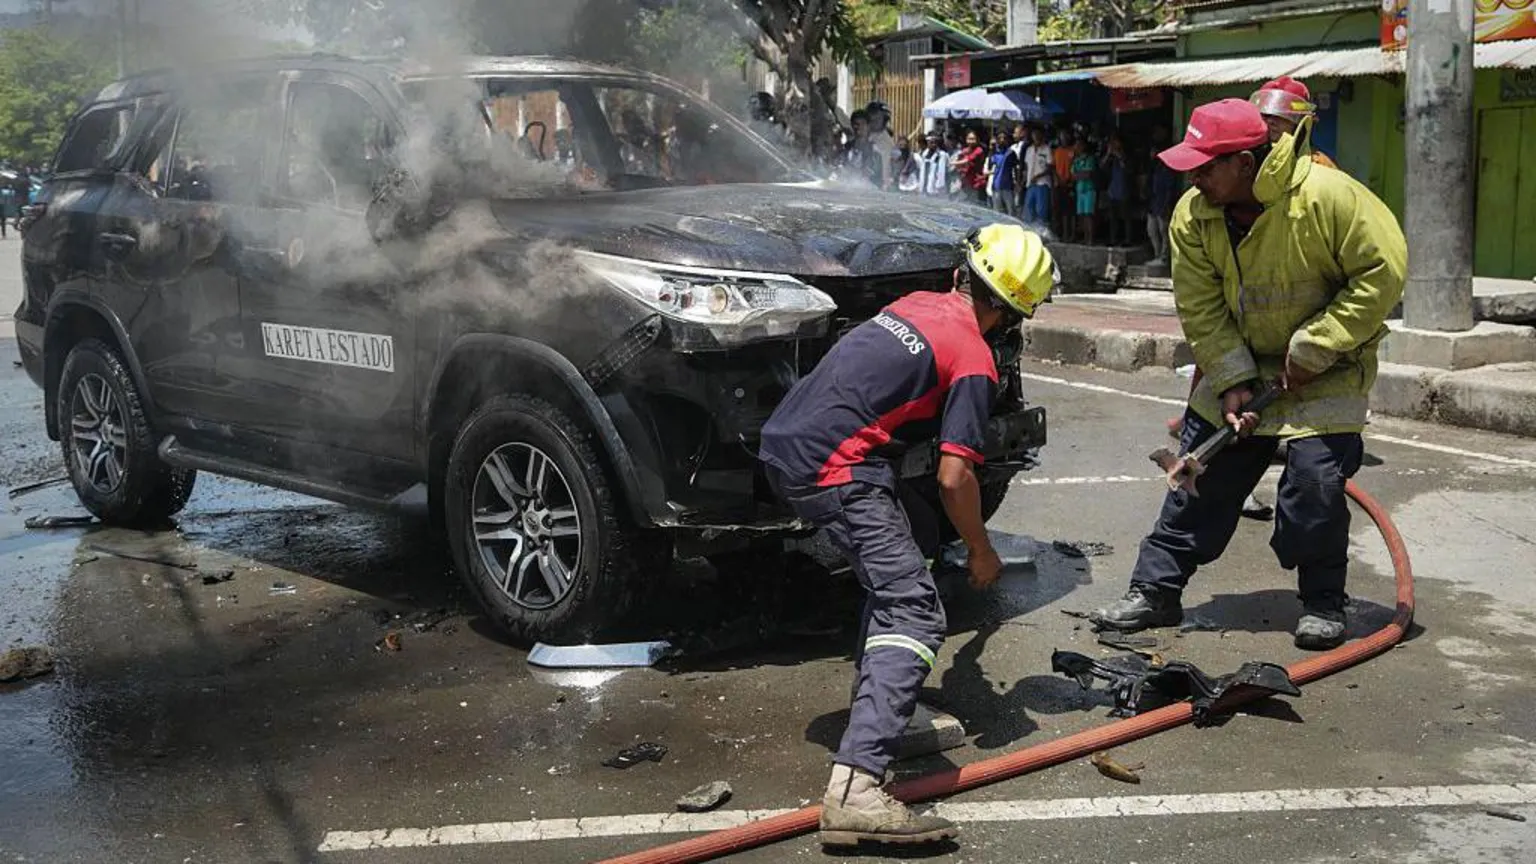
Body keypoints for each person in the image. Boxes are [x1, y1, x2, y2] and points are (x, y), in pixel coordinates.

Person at [758, 224, 1057, 848]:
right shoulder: (974, 357)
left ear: (961, 275)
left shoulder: (916, 305)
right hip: (835, 467)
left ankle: (884, 712)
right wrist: (981, 551)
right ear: (1008, 312)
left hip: (788, 440)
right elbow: (955, 477)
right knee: (914, 607)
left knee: (908, 551)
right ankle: (857, 788)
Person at [1089, 99, 1406, 650]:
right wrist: (1232, 377)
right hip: (1239, 363)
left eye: (1205, 167)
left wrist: (1317, 346)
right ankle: (1155, 591)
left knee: (1315, 487)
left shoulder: (1328, 196)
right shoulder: (1193, 215)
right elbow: (1201, 305)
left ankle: (1323, 601)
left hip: (1325, 368)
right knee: (1197, 477)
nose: (1194, 179)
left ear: (1244, 162)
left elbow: (1383, 272)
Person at [1250, 77, 1339, 170]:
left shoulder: (1320, 164)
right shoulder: (1248, 160)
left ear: (1300, 121)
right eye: (1265, 115)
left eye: (1281, 115)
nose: (1270, 121)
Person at [1146, 128, 1178, 264]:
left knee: (1163, 231)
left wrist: (1166, 205)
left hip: (1162, 203)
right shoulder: (1153, 168)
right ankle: (1157, 254)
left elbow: (1170, 189)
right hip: (1153, 204)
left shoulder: (1166, 169)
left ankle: (1164, 257)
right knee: (1152, 231)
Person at [1021, 127, 1054, 229]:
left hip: (1042, 183)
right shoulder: (1029, 150)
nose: (1036, 137)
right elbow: (1026, 167)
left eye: (1038, 134)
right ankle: (1030, 230)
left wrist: (1038, 176)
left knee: (1041, 209)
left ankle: (1042, 230)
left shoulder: (1047, 149)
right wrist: (1022, 181)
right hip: (1030, 183)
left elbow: (1050, 168)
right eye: (1034, 135)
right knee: (1029, 208)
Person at [1104, 135, 1131, 246]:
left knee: (1126, 217)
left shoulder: (1126, 155)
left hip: (1124, 190)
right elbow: (1102, 166)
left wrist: (1118, 155)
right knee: (1113, 218)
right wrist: (1108, 154)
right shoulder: (1111, 158)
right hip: (1112, 191)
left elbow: (1128, 168)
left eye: (1115, 142)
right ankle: (1113, 239)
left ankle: (1128, 239)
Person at [1071, 137, 1098, 245]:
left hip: (1089, 189)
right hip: (1079, 190)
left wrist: (1079, 174)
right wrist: (1081, 174)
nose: (1076, 147)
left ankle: (1090, 239)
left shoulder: (1090, 159)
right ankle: (1085, 238)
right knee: (1081, 215)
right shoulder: (1076, 160)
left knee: (1089, 215)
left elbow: (1088, 174)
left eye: (1079, 145)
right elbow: (1073, 175)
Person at [952, 129, 987, 205]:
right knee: (962, 205)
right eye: (969, 139)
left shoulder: (979, 150)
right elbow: (959, 162)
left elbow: (966, 160)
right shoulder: (965, 150)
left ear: (977, 140)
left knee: (974, 206)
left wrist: (952, 163)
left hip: (976, 184)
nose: (971, 141)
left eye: (973, 139)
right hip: (965, 183)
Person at [865, 101, 896, 190]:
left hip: (874, 185)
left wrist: (886, 183)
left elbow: (886, 163)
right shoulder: (863, 133)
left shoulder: (886, 141)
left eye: (880, 118)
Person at [987, 132, 1018, 217]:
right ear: (997, 140)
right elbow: (989, 166)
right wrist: (991, 150)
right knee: (997, 212)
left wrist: (1017, 182)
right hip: (996, 186)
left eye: (1004, 138)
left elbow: (1016, 168)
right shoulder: (995, 153)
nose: (1002, 140)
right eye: (1000, 138)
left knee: (1011, 211)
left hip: (1008, 186)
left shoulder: (1011, 153)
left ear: (1008, 140)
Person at [1053, 130, 1076, 240]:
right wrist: (1057, 179)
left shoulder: (1073, 151)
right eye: (1062, 137)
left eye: (1066, 137)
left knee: (1070, 212)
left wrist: (1071, 180)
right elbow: (1053, 167)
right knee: (1059, 211)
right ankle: (1061, 234)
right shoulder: (1056, 151)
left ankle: (1071, 234)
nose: (1064, 139)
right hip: (1059, 184)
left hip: (1070, 184)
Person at [916, 131, 949, 197]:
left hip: (935, 189)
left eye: (935, 142)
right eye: (931, 142)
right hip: (924, 187)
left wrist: (939, 187)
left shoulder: (941, 155)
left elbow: (941, 172)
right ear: (927, 142)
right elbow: (921, 171)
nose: (934, 144)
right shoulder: (924, 154)